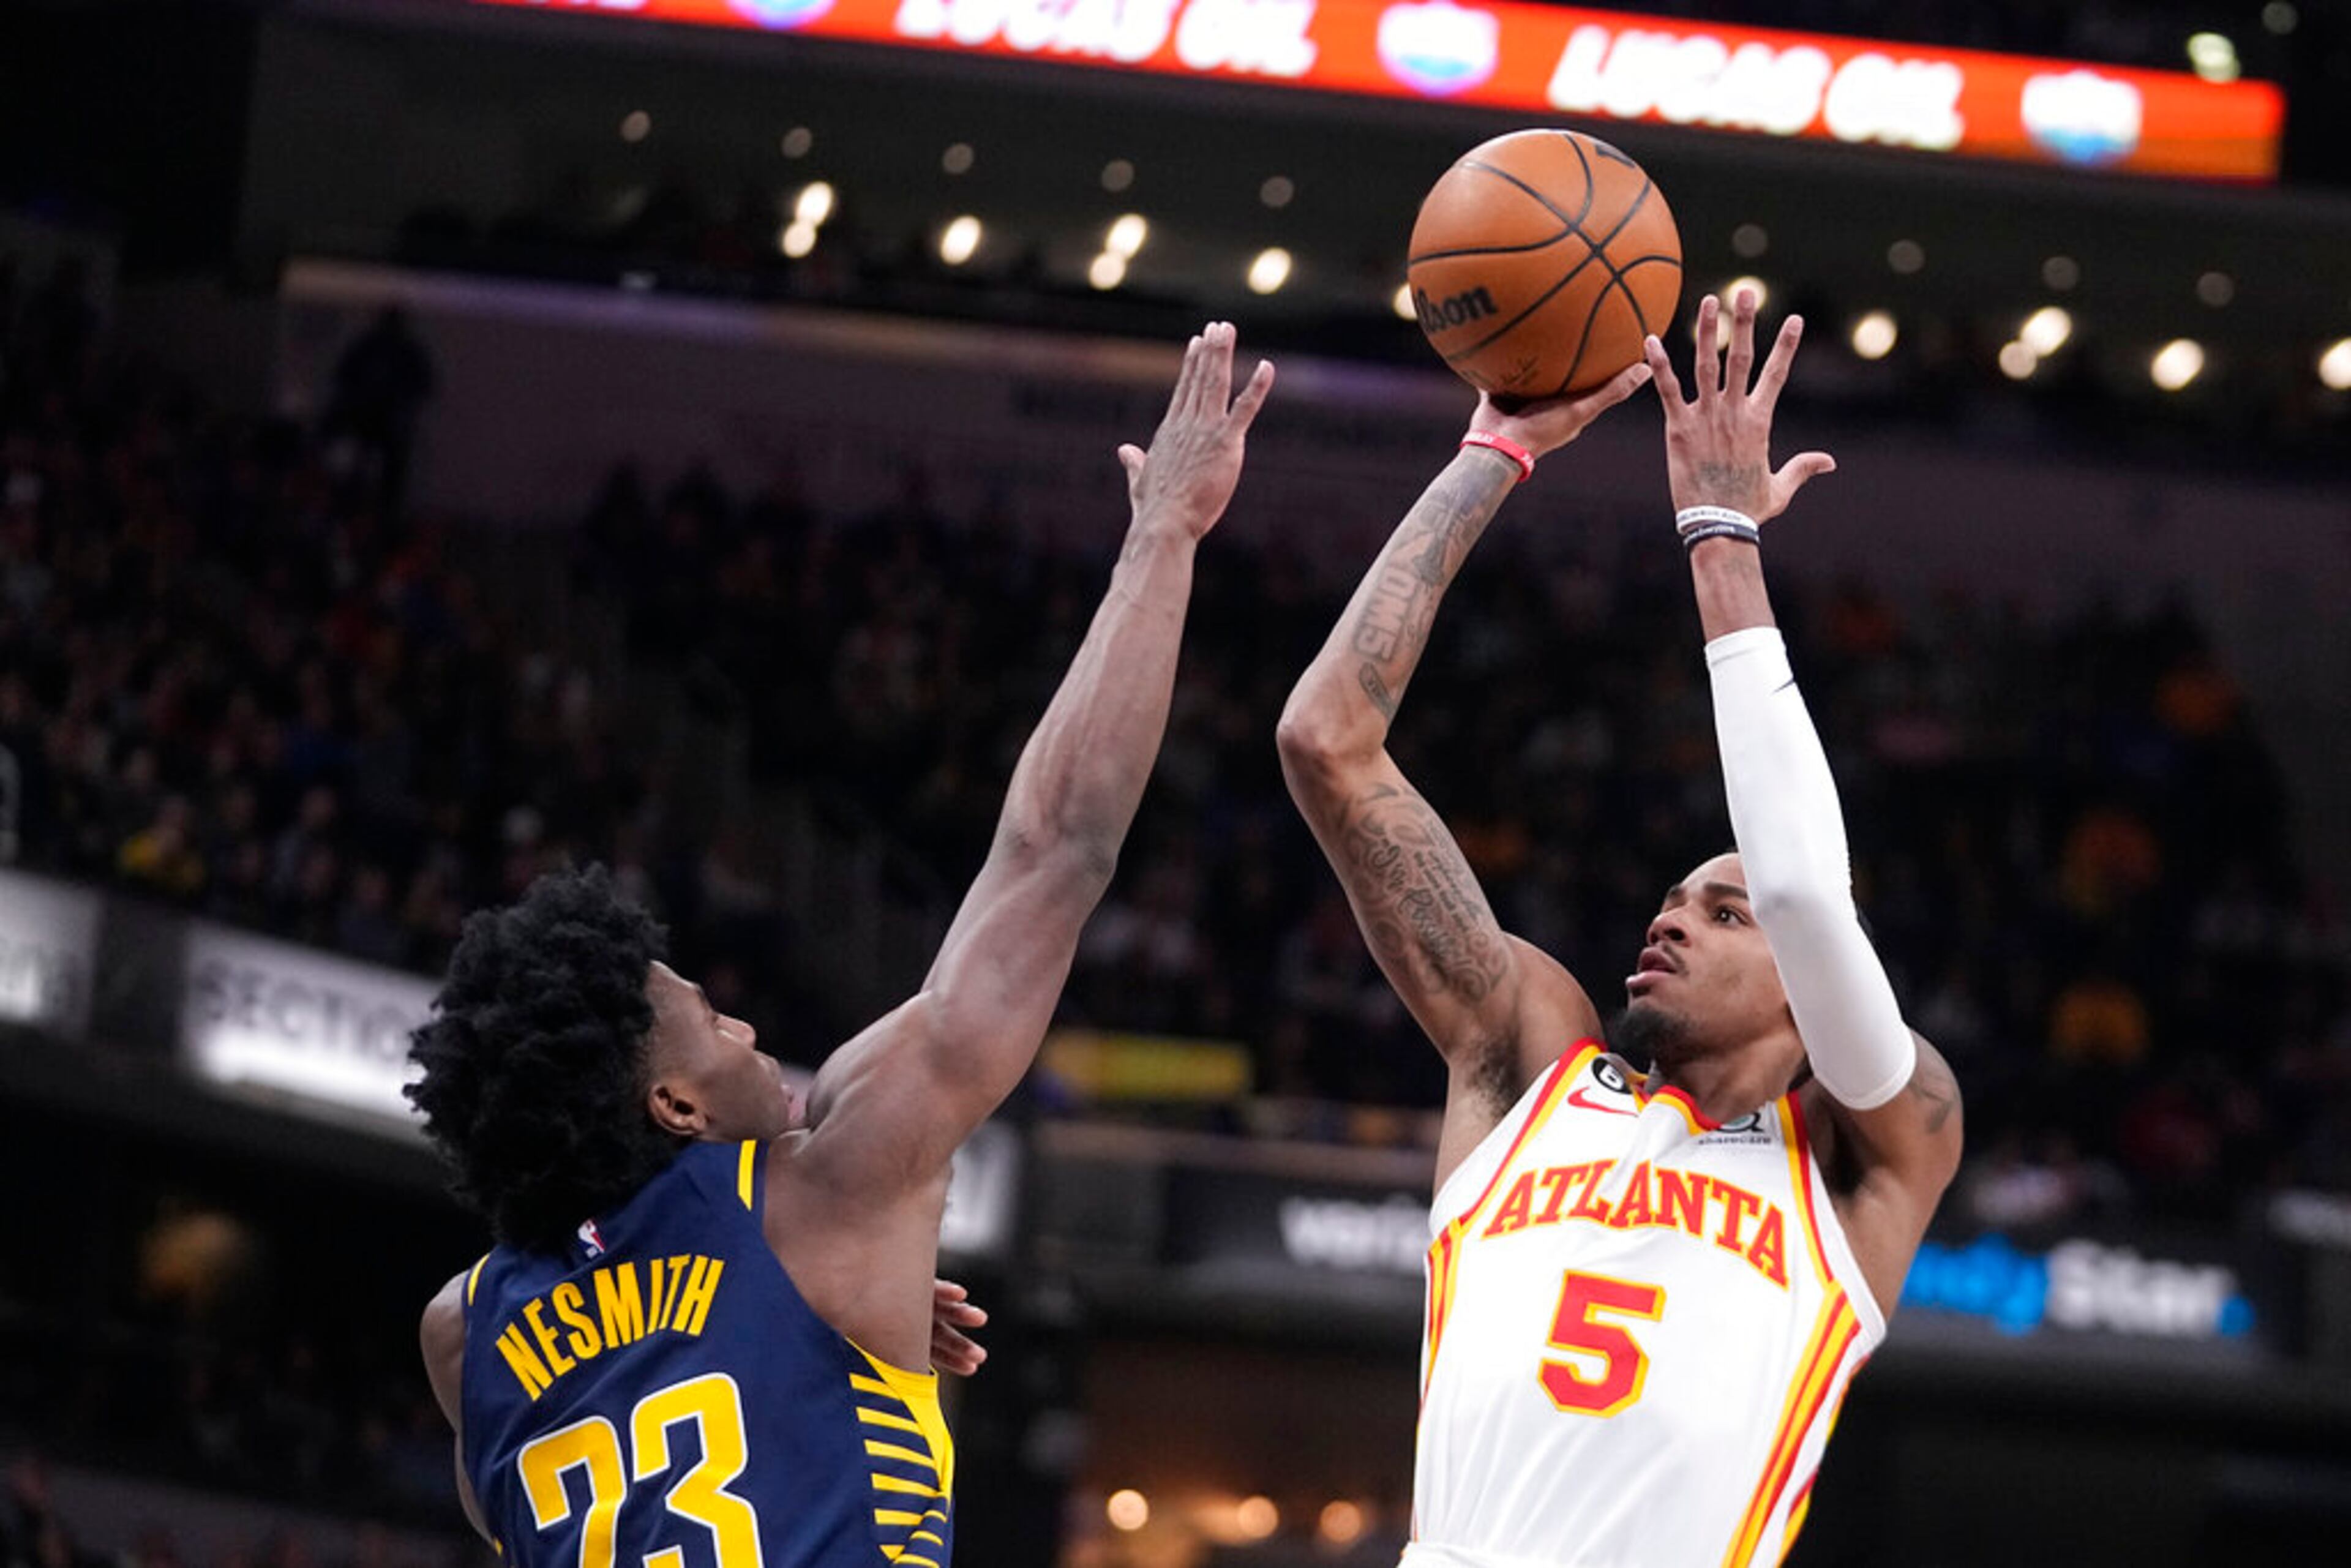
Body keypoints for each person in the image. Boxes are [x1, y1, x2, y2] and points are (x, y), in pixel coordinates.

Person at [408, 324, 1275, 1565]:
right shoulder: (830, 1187)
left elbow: (555, 1501)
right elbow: (1057, 851)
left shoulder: (462, 1331)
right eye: (710, 1020)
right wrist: (1164, 540)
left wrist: (796, 1334)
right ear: (673, 1104)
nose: (751, 1028)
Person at [1275, 291, 1960, 1567]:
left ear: (1814, 984)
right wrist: (1493, 455)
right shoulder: (1533, 1065)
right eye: (1671, 898)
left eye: (1721, 908)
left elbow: (1811, 894)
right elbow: (1325, 741)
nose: (1669, 918)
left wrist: (1719, 540)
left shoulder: (1871, 1153)